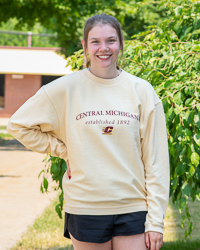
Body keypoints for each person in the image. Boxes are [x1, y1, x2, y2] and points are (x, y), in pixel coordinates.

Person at [7, 14, 170, 250]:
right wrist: (64, 150)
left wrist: (156, 221)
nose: (103, 48)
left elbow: (156, 161)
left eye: (110, 41)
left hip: (134, 207)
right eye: (95, 41)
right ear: (84, 46)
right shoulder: (66, 88)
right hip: (86, 206)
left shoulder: (142, 91)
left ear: (121, 43)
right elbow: (18, 125)